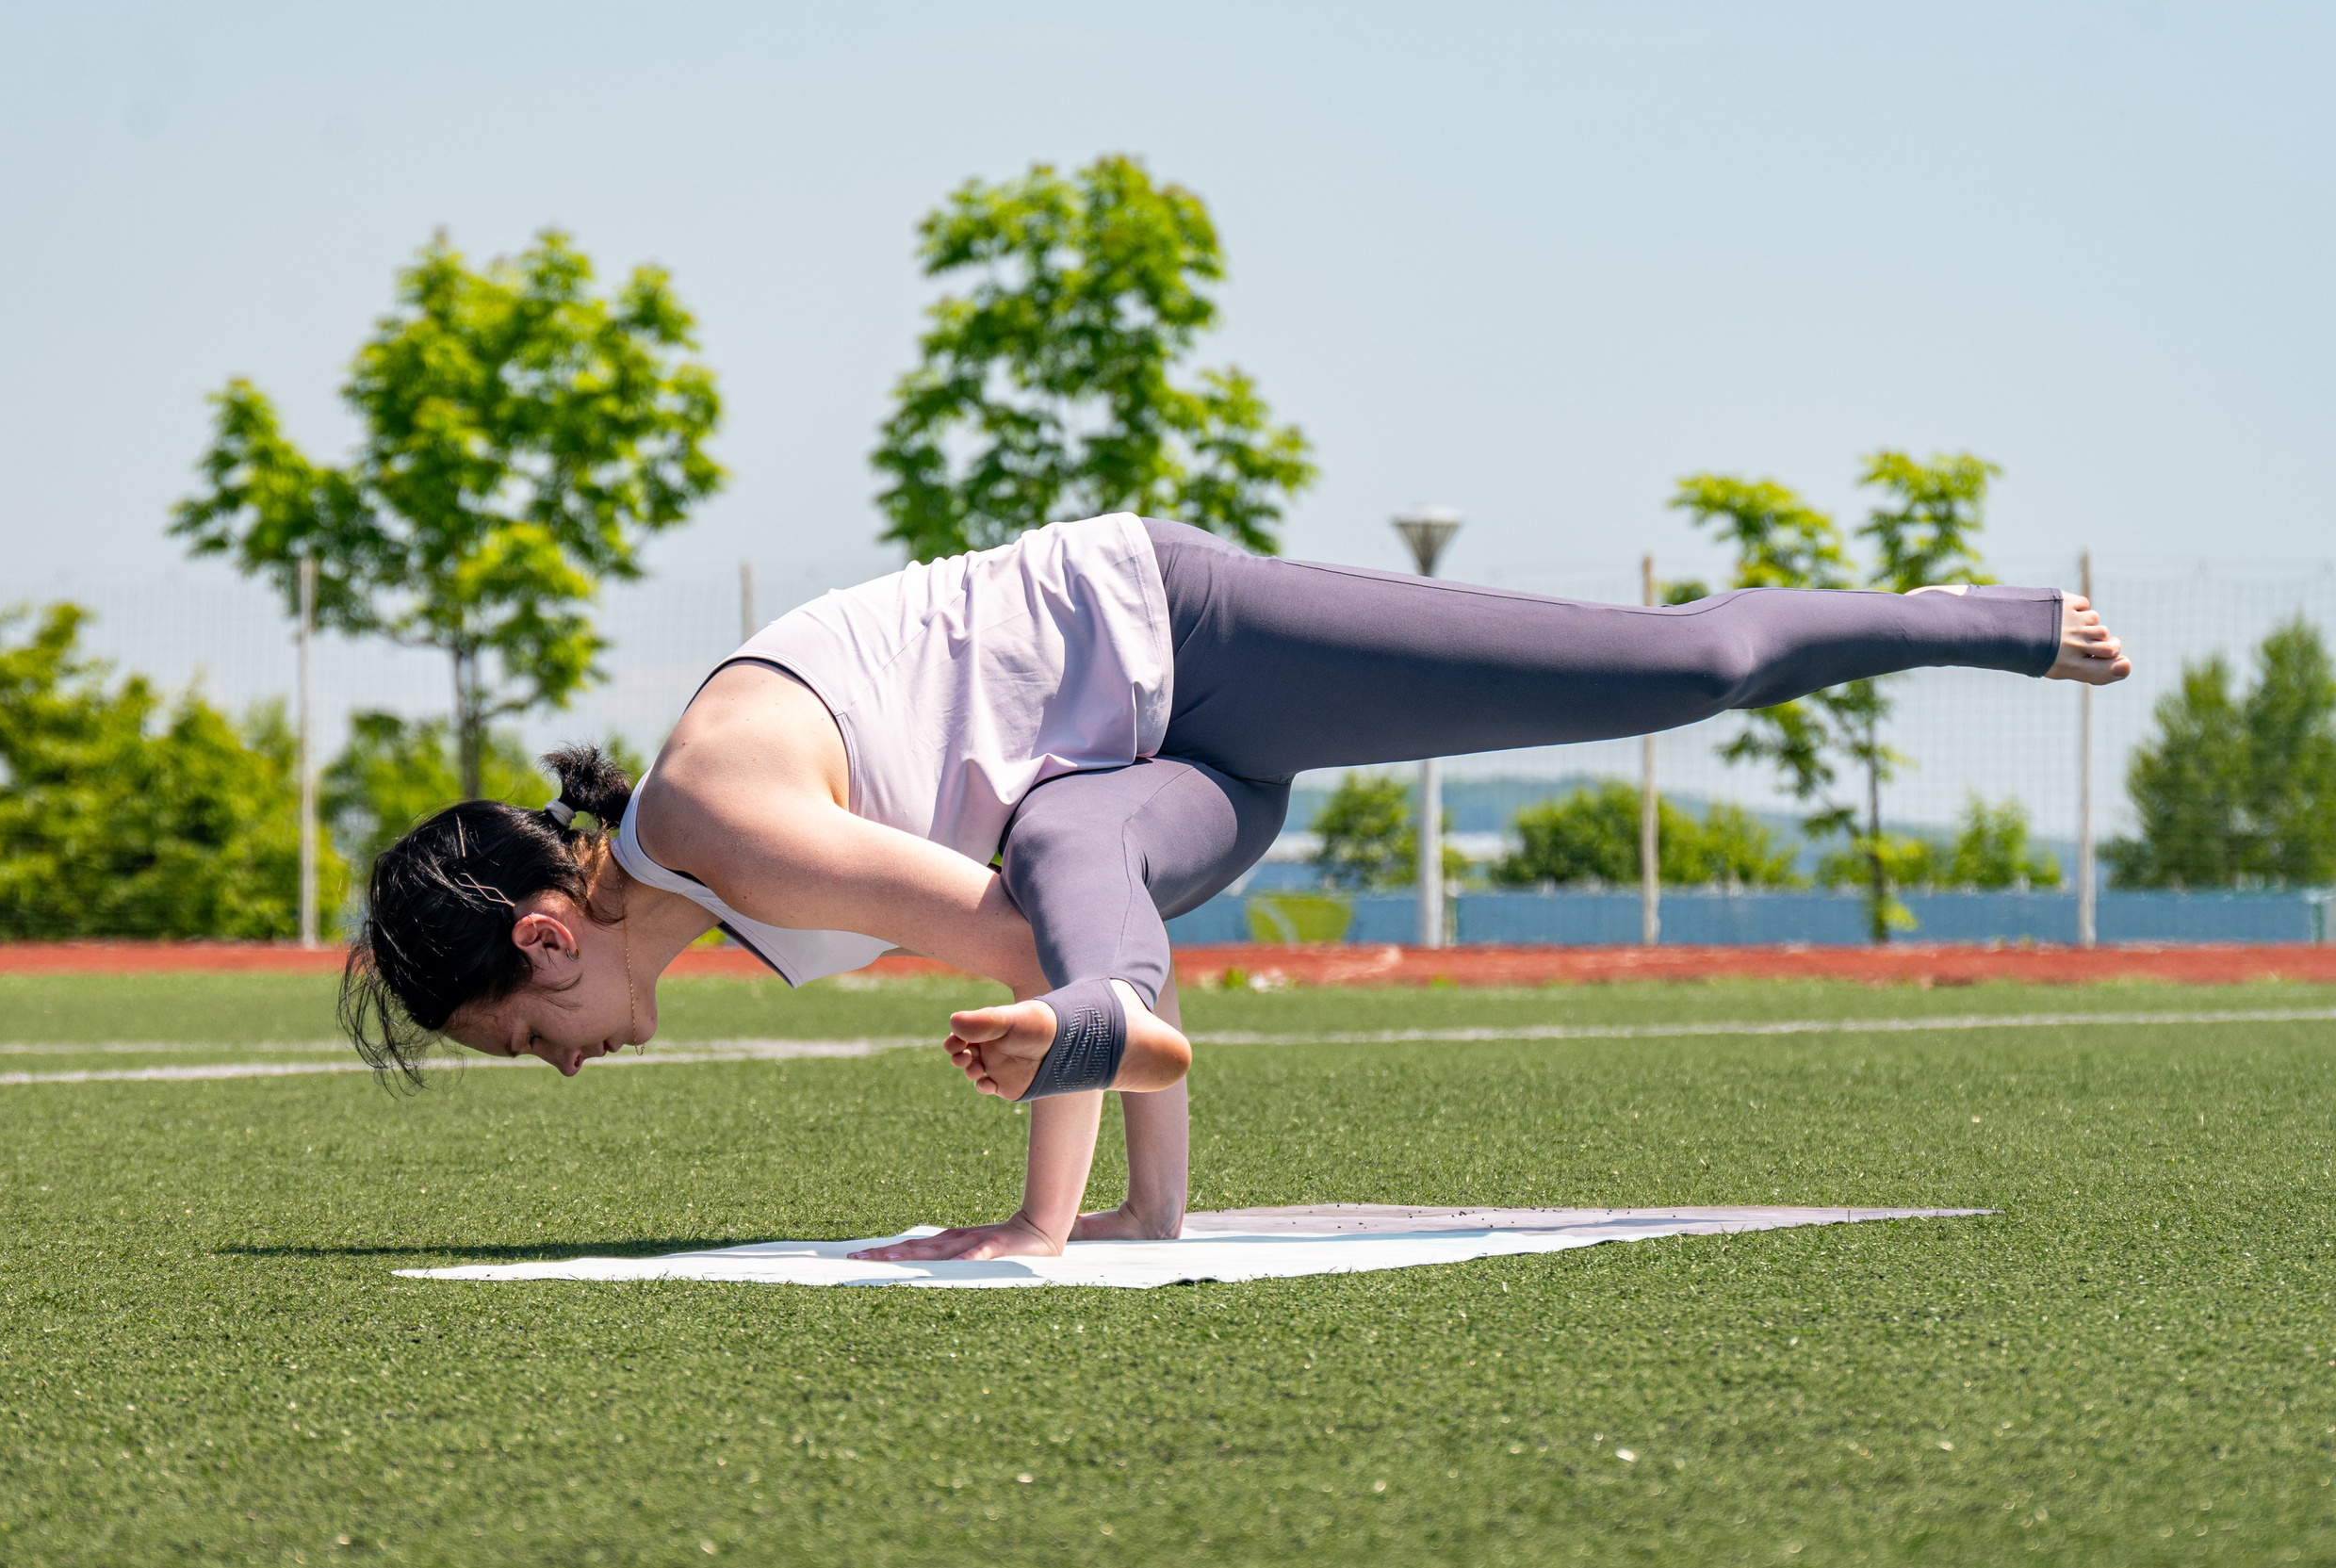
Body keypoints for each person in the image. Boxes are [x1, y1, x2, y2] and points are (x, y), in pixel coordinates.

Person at [340, 514, 2131, 1263]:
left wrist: (1036, 1224)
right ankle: (1143, 1178)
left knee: (1683, 666)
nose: (557, 1061)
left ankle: (1972, 617)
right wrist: (1144, 1217)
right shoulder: (714, 884)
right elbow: (1072, 922)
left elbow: (1022, 941)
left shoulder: (713, 814)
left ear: (548, 934)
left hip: (1192, 649)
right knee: (1069, 850)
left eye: (524, 1033)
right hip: (1147, 795)